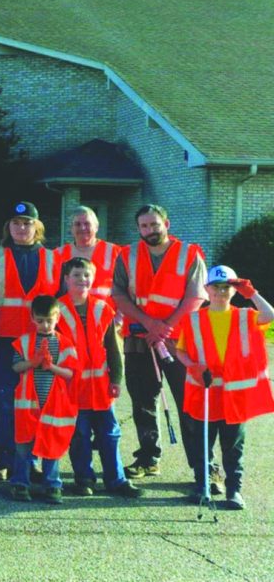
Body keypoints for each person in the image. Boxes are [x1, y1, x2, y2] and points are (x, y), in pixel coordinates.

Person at [111, 204, 206, 481]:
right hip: (139, 339)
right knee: (143, 401)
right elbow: (118, 294)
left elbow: (195, 297)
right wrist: (150, 323)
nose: (150, 230)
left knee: (189, 404)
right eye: (144, 226)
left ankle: (204, 467)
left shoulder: (189, 254)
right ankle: (148, 458)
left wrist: (165, 327)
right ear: (138, 228)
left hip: (179, 342)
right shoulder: (126, 255)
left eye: (154, 224)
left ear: (166, 223)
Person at [175, 265, 274, 510]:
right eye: (216, 287)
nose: (221, 291)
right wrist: (192, 366)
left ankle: (234, 490)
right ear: (207, 290)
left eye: (226, 287)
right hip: (204, 393)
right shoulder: (194, 318)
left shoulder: (245, 315)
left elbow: (270, 314)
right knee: (202, 445)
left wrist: (252, 294)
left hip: (234, 396)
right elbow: (181, 350)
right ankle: (202, 486)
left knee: (233, 446)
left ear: (234, 290)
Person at [0, 201, 58, 480]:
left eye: (27, 223)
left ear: (37, 227)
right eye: (16, 223)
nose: (21, 228)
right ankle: (3, 459)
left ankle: (31, 459)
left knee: (37, 402)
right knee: (4, 400)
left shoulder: (52, 259)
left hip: (39, 343)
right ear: (7, 227)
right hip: (2, 343)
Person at [56, 257, 141, 498]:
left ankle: (116, 480)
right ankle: (84, 478)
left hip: (101, 386)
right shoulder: (57, 309)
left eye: (86, 275)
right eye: (76, 275)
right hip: (72, 386)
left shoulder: (103, 309)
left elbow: (113, 348)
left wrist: (116, 379)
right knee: (80, 434)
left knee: (110, 433)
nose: (82, 280)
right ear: (66, 279)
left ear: (93, 279)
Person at [9, 295, 78, 504]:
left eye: (49, 320)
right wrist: (33, 362)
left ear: (57, 317)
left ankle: (52, 485)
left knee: (52, 445)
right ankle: (20, 483)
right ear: (32, 318)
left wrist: (51, 367)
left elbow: (70, 373)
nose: (45, 325)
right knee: (23, 445)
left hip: (53, 406)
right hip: (28, 405)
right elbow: (16, 367)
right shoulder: (25, 341)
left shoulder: (64, 343)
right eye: (40, 320)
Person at [53, 206, 121, 307]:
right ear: (71, 229)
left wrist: (119, 318)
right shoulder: (57, 254)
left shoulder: (115, 252)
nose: (82, 228)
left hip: (105, 317)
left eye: (87, 224)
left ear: (96, 227)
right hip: (68, 317)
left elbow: (126, 290)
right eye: (77, 224)